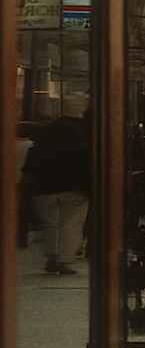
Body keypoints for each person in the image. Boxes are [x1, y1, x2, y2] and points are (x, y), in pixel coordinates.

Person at [20, 115, 91, 274]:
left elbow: (27, 174)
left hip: (43, 191)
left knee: (50, 224)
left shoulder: (36, 150)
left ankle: (52, 258)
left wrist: (20, 193)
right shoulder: (80, 149)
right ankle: (64, 261)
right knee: (70, 225)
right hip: (74, 191)